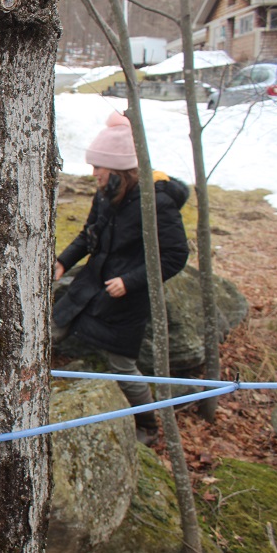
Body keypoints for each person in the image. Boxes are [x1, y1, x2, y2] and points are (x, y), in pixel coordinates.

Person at [53, 112, 189, 446]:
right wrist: (62, 261)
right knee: (50, 330)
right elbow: (89, 234)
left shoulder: (156, 202)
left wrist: (130, 281)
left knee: (122, 366)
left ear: (118, 168)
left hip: (126, 298)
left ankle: (149, 426)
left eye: (99, 166)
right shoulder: (104, 194)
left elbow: (175, 255)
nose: (94, 173)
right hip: (90, 283)